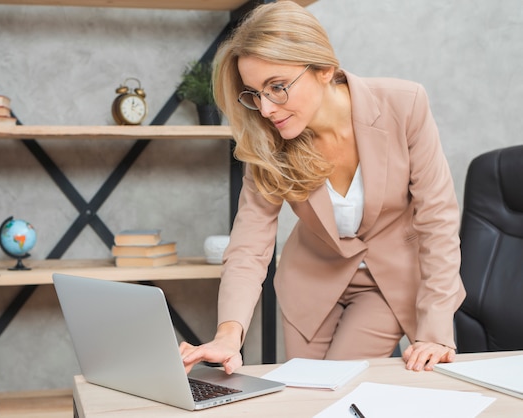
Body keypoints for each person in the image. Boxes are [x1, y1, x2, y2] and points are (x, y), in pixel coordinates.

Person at [179, 0, 466, 373]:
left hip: (389, 281)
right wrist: (228, 335)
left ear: (325, 69)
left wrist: (436, 331)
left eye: (277, 87)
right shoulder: (268, 138)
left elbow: (437, 221)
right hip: (311, 282)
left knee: (337, 387)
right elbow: (249, 245)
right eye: (254, 93)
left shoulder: (404, 104)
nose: (265, 109)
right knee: (303, 394)